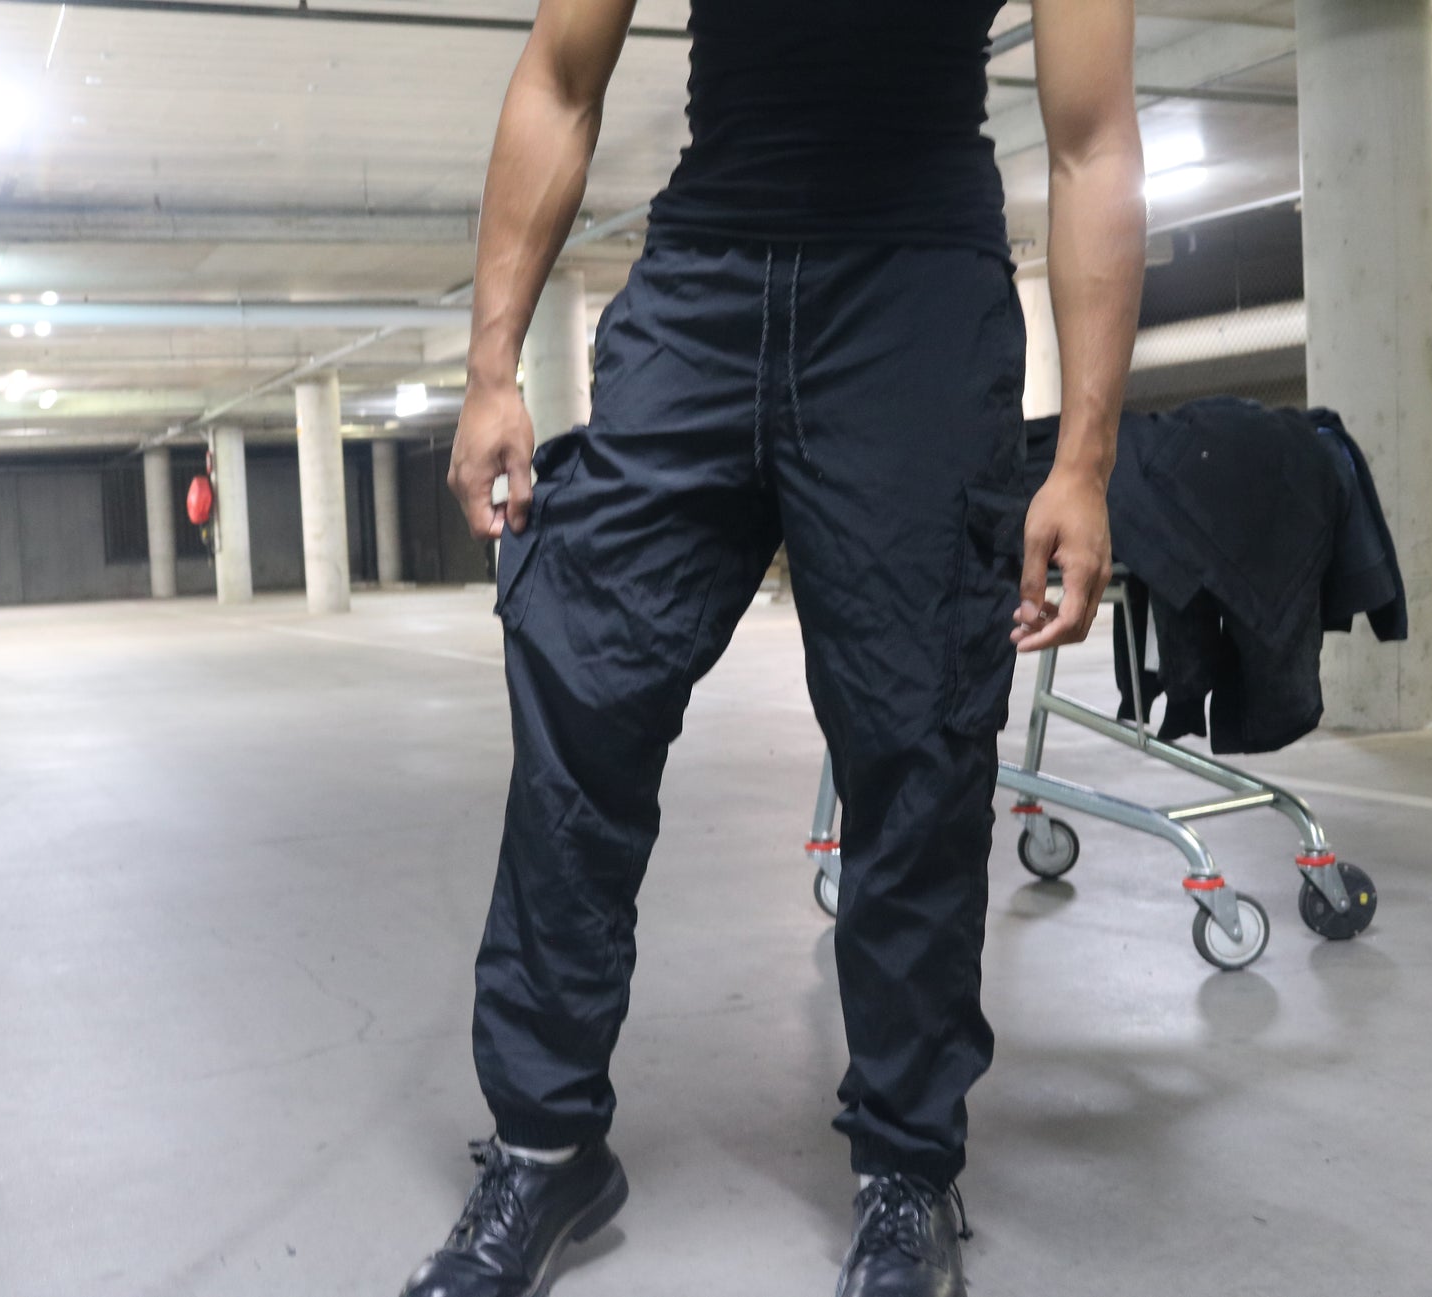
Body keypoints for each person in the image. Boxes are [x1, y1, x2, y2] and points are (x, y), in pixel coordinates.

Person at [404, 2, 1143, 1294]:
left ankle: (906, 1167)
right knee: (582, 690)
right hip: (704, 277)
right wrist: (490, 368)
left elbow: (1092, 143)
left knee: (915, 737)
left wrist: (1082, 460)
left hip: (916, 292)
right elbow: (562, 76)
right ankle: (545, 1144)